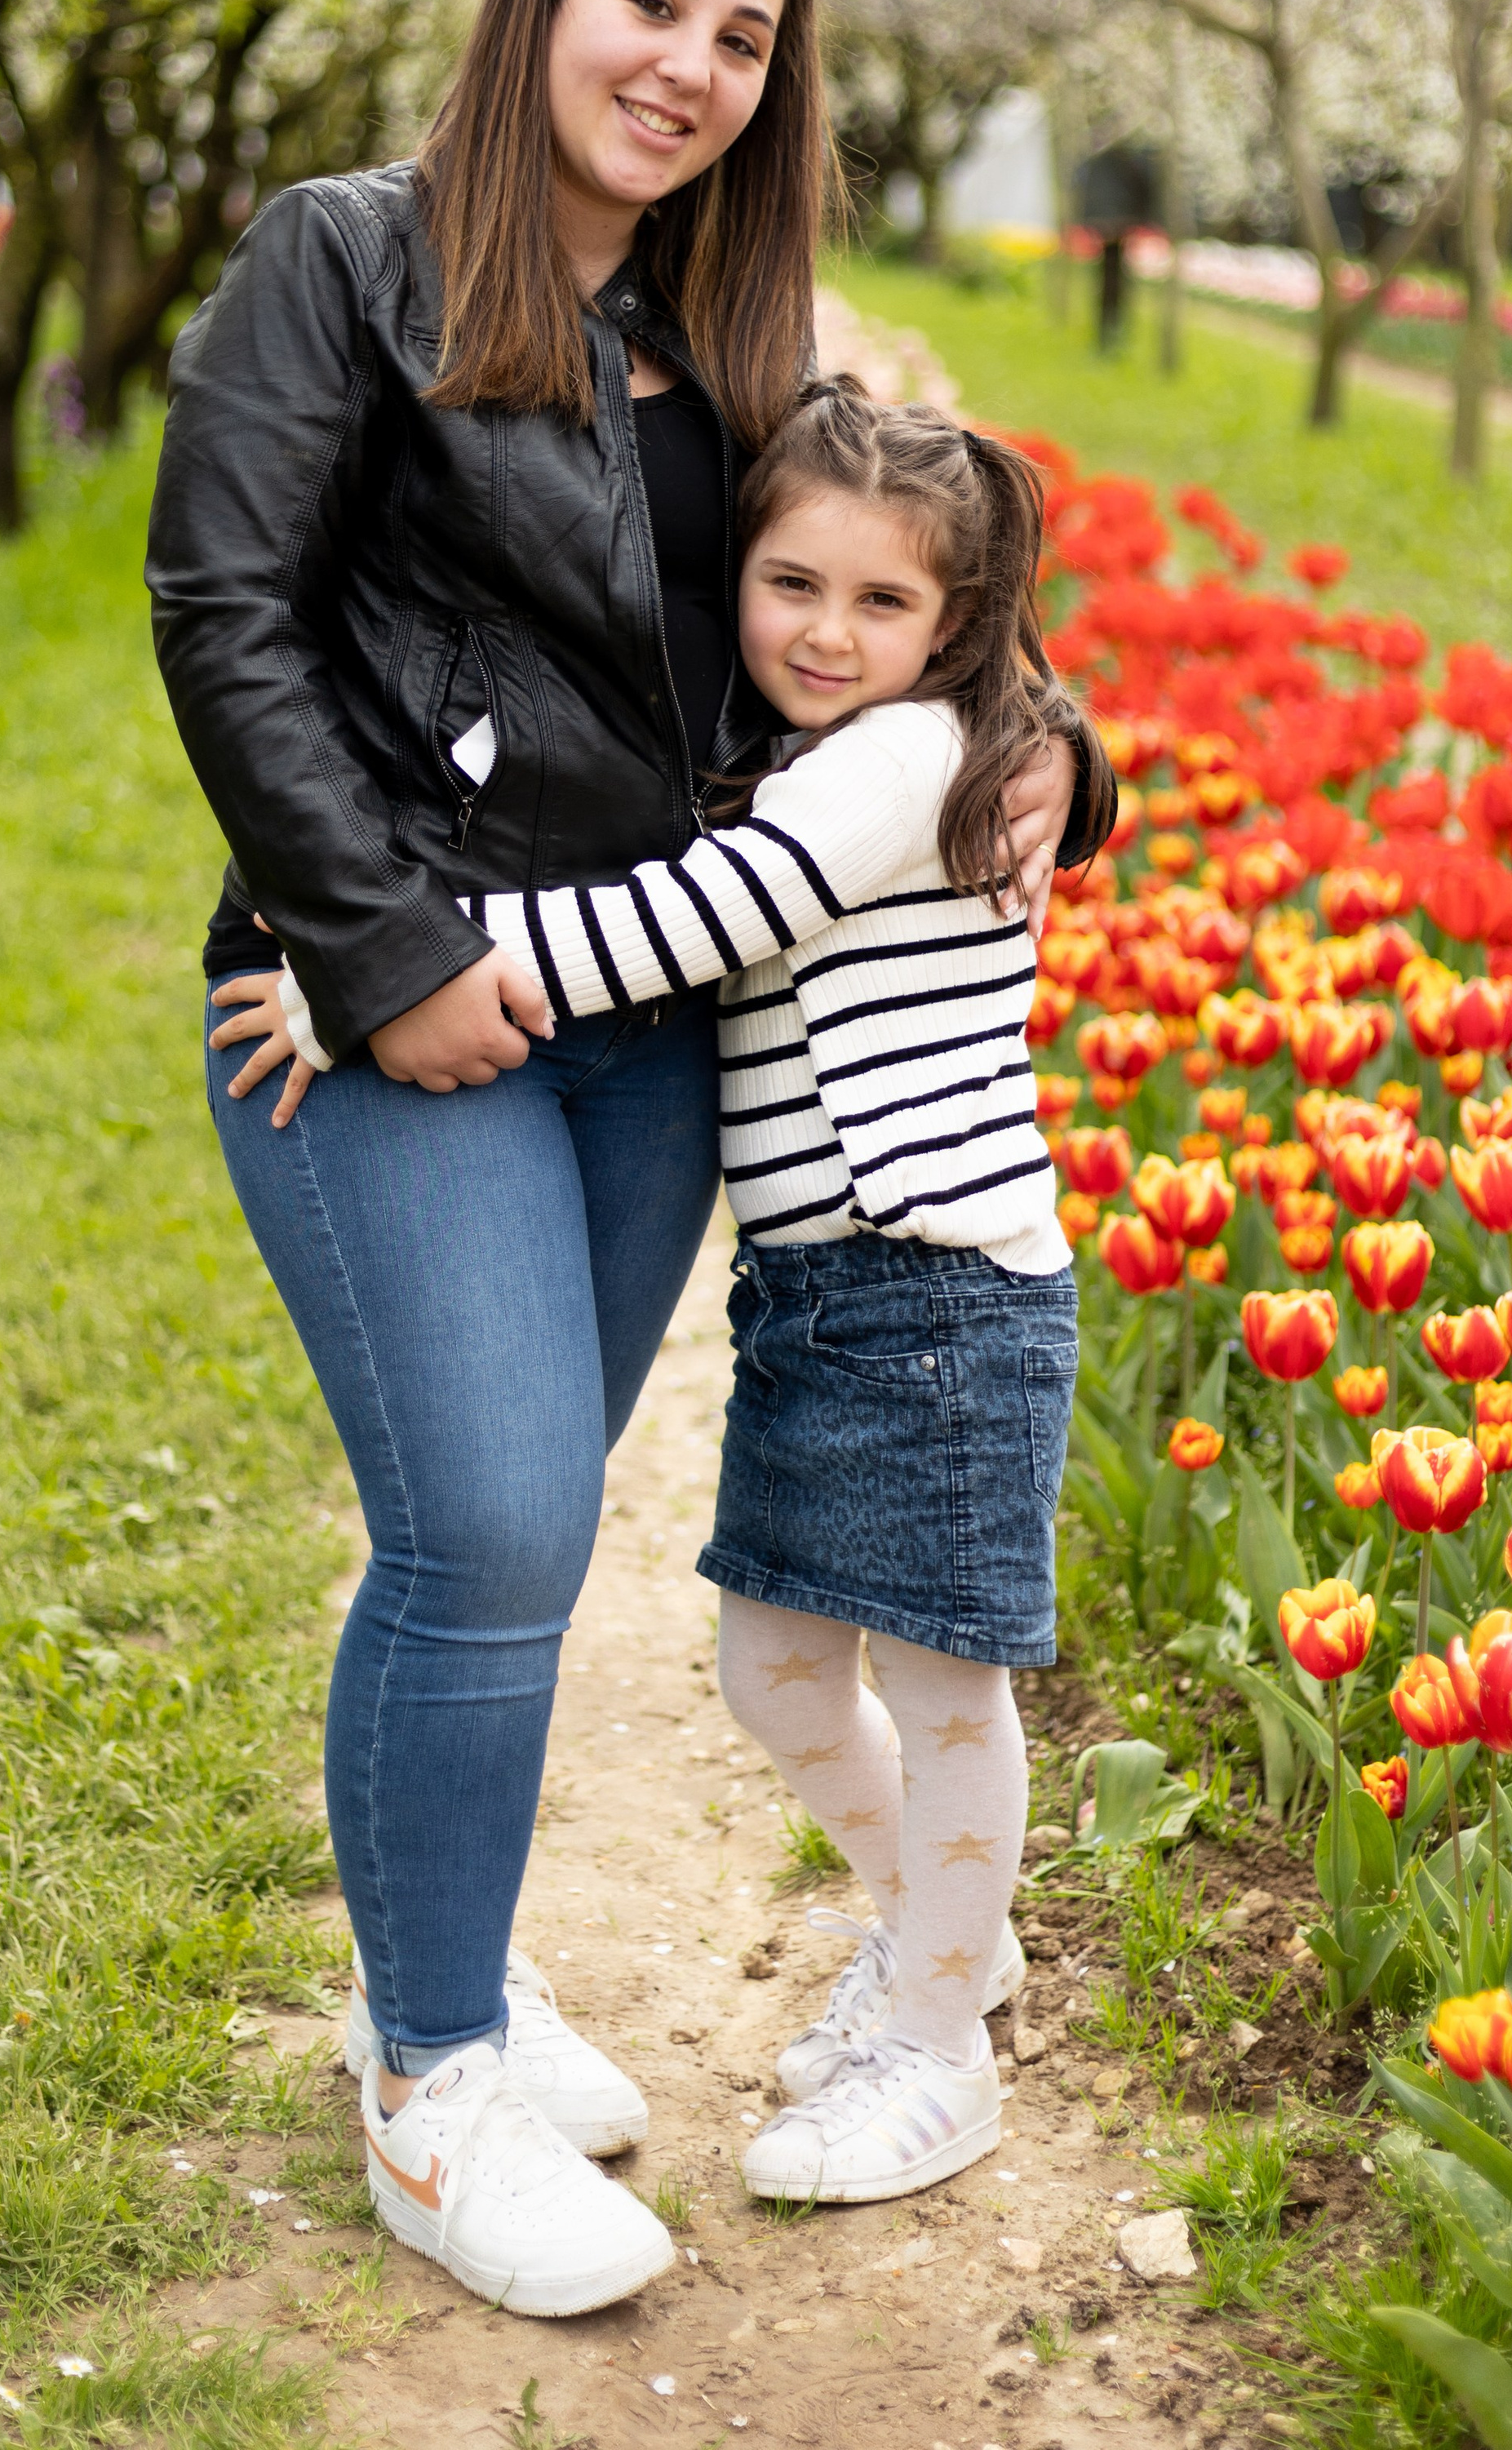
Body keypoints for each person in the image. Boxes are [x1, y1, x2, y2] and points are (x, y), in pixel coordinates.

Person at [146, 0, 1089, 2319]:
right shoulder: (343, 262)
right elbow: (222, 614)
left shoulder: (737, 337)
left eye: (745, 37)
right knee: (484, 1524)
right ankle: (433, 2082)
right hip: (399, 1012)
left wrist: (1055, 745)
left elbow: (927, 597)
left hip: (651, 1036)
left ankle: (427, 1959)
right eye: (652, 2)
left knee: (519, 1519)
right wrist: (369, 951)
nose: (690, 64)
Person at [270, 379, 1116, 2205]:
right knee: (775, 1671)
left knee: (946, 1690)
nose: (823, 631)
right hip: (822, 1297)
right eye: (787, 583)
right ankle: (934, 1945)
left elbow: (691, 920)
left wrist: (377, 956)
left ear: (953, 626)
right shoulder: (831, 744)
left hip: (942, 1295)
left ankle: (937, 2044)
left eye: (880, 605)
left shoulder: (896, 762)